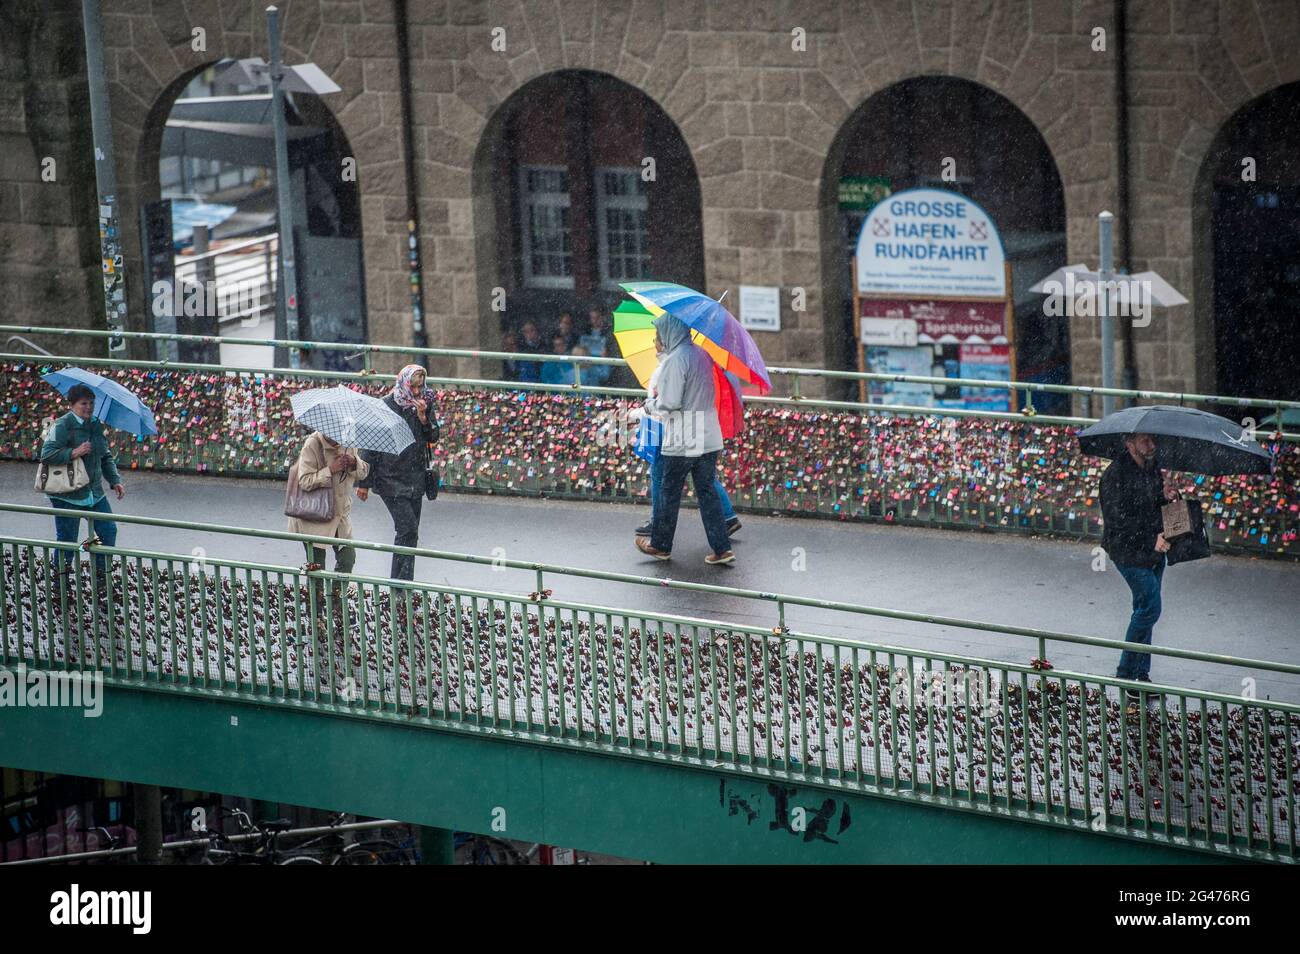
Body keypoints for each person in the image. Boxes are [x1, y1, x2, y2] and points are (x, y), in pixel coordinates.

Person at [635, 314, 734, 566]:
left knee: (669, 491)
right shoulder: (702, 355)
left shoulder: (674, 360)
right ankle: (721, 548)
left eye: (660, 333)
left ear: (670, 332)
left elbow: (669, 404)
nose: (658, 339)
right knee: (707, 491)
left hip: (683, 437)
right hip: (708, 433)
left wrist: (649, 406)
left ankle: (660, 545)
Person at [1100, 431, 1180, 711]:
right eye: (1146, 441)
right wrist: (1150, 539)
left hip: (1155, 551)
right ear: (1129, 443)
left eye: (1153, 440)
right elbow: (1117, 520)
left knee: (1144, 609)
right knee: (1150, 608)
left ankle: (1140, 676)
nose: (1152, 445)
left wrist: (1167, 495)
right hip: (1129, 552)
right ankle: (1127, 674)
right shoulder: (1114, 475)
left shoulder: (1152, 469)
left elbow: (1151, 509)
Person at [357, 365, 439, 581]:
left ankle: (404, 582)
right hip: (390, 477)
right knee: (407, 529)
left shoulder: (425, 403)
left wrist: (423, 418)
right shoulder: (386, 405)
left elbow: (433, 436)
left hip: (415, 477)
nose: (418, 392)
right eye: (414, 387)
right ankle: (400, 585)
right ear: (404, 384)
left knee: (411, 533)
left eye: (421, 386)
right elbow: (370, 445)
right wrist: (364, 482)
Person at [40, 383, 125, 587]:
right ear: (72, 405)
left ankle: (100, 577)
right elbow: (46, 454)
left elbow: (105, 456)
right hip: (67, 494)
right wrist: (74, 452)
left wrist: (115, 481)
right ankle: (60, 583)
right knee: (68, 540)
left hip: (93, 492)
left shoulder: (95, 424)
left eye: (91, 403)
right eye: (83, 403)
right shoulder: (62, 425)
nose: (88, 407)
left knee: (108, 531)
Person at [288, 427, 368, 614]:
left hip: (340, 513)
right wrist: (331, 470)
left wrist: (354, 463)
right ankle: (315, 613)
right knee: (317, 566)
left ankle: (336, 605)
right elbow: (305, 481)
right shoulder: (312, 444)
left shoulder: (349, 443)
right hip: (315, 514)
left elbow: (363, 472)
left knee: (348, 557)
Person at [579, 306, 612, 386]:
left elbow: (606, 374)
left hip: (602, 367)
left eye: (597, 317)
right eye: (593, 318)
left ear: (602, 318)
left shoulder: (608, 334)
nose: (595, 321)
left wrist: (605, 356)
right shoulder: (584, 332)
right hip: (586, 366)